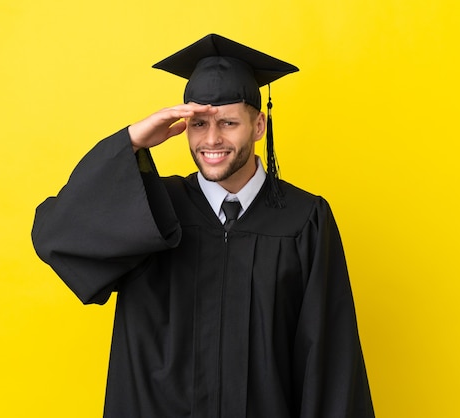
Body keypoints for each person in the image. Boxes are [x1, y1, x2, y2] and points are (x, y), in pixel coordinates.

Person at [32, 34, 374, 418]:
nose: (212, 139)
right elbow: (55, 235)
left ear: (259, 125)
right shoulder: (151, 208)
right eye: (198, 124)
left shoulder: (303, 220)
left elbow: (330, 362)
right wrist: (130, 143)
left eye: (228, 123)